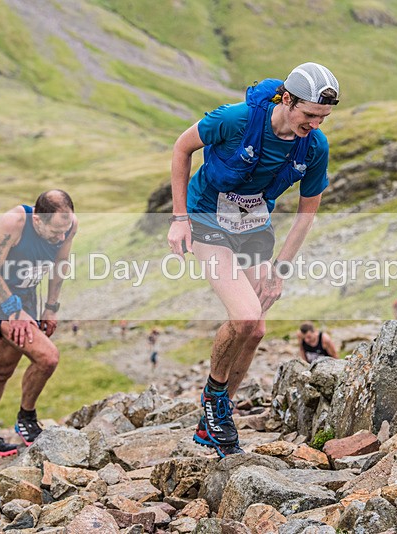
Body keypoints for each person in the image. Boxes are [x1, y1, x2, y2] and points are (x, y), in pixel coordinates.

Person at [167, 62, 340, 457]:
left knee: (257, 328)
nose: (315, 124)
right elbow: (182, 147)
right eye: (309, 114)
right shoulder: (235, 119)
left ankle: (210, 424)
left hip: (253, 227)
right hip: (206, 219)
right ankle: (214, 397)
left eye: (323, 118)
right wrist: (178, 219)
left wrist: (280, 269)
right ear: (287, 99)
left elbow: (306, 212)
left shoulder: (314, 147)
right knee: (244, 316)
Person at [0, 190, 77, 456]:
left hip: (27, 296)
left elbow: (61, 263)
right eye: (56, 232)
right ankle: (26, 419)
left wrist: (51, 307)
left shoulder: (68, 224)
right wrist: (13, 310)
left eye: (65, 231)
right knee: (47, 357)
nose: (61, 237)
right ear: (38, 220)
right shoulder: (13, 223)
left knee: (1, 370)